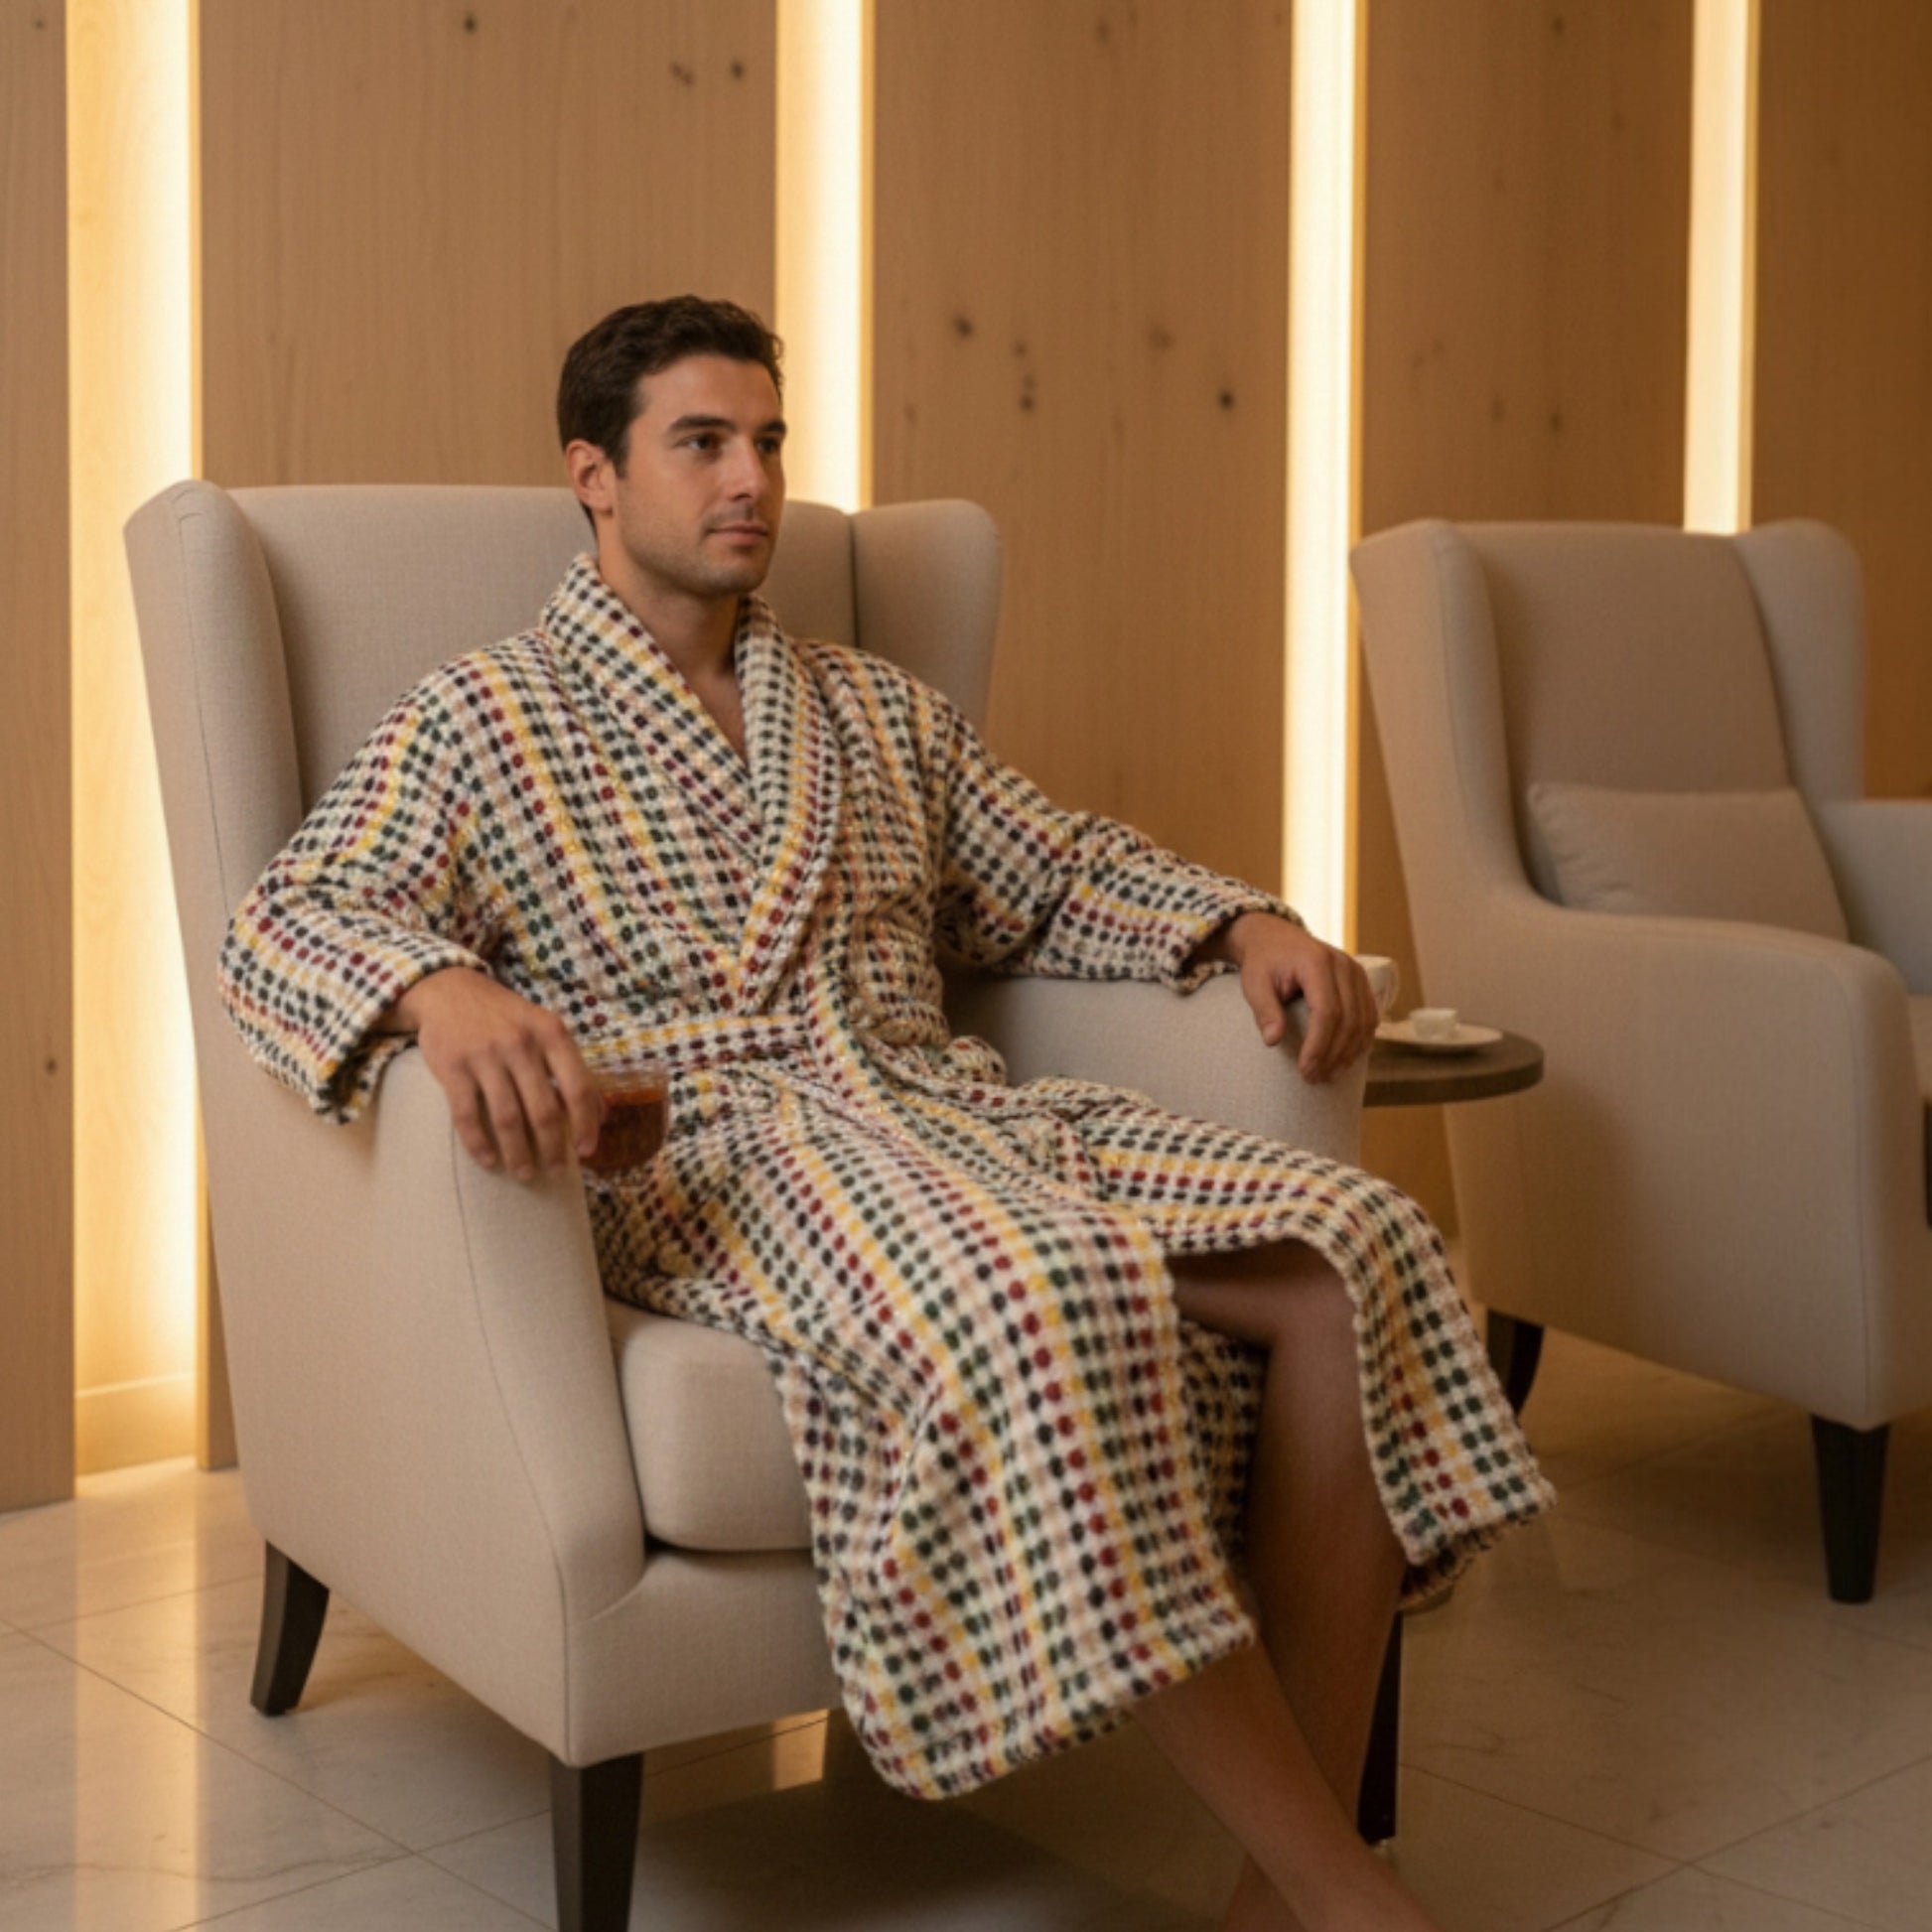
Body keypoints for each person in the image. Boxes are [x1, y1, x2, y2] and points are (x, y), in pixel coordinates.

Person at [218, 294, 1551, 1931]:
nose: (749, 481)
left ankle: (1279, 1889)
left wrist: (1239, 923)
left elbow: (1051, 869)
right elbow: (283, 917)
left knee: (1359, 1248)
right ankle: (1344, 1890)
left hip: (941, 1108)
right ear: (593, 475)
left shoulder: (869, 707)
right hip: (721, 1156)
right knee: (1043, 1296)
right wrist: (443, 989)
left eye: (766, 442)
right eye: (699, 442)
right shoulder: (484, 715)